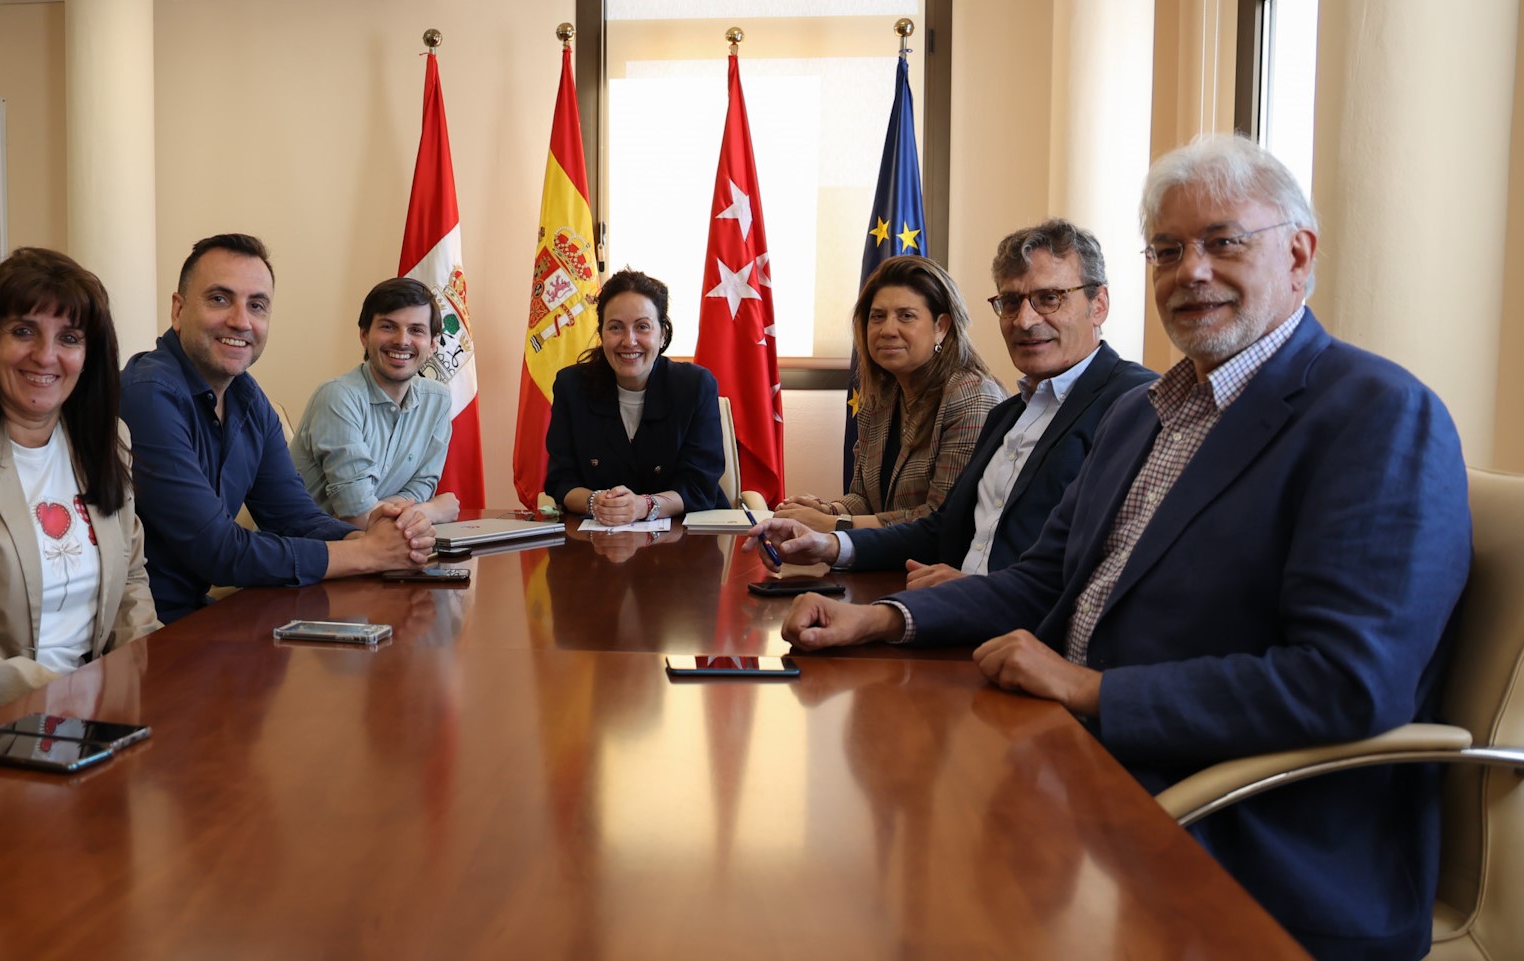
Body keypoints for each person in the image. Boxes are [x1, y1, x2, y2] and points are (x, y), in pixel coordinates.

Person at [773, 136, 1471, 961]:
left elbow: (1348, 682)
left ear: (1298, 253)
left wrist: (1092, 689)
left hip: (1237, 827)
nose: (1191, 271)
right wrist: (885, 619)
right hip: (1071, 759)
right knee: (853, 858)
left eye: (1223, 242)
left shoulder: (1378, 414)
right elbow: (1042, 580)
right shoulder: (1143, 414)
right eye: (1167, 250)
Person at [752, 220, 1155, 589]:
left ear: (1099, 304)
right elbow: (943, 529)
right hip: (950, 600)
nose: (1025, 320)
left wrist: (836, 527)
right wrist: (828, 541)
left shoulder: (1136, 402)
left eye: (1049, 298)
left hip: (1011, 622)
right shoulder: (1009, 415)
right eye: (1010, 302)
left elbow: (1103, 565)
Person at [0, 248, 162, 718]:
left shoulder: (108, 440)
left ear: (88, 355)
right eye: (23, 331)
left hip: (96, 709)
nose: (45, 355)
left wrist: (147, 679)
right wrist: (62, 694)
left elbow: (131, 583)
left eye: (69, 338)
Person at [120, 234, 434, 623]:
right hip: (141, 629)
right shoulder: (148, 393)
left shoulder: (248, 398)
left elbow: (294, 517)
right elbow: (218, 551)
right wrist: (366, 553)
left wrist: (375, 537)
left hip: (200, 614)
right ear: (178, 309)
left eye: (257, 305)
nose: (241, 321)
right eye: (219, 299)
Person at [776, 256, 1003, 533]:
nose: (887, 330)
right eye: (877, 317)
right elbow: (863, 499)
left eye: (906, 316)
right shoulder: (880, 397)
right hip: (885, 554)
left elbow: (942, 519)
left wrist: (831, 524)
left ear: (941, 327)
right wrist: (826, 510)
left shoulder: (972, 397)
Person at [544, 268, 728, 524]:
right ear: (601, 334)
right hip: (598, 536)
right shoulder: (571, 386)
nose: (629, 341)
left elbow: (700, 485)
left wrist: (644, 506)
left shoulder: (695, 385)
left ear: (662, 334)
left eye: (642, 327)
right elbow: (561, 481)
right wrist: (597, 502)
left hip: (686, 536)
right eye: (616, 327)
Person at [288, 277, 459, 527]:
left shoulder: (437, 401)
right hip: (304, 546)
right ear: (364, 335)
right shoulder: (338, 396)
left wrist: (379, 512)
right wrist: (433, 511)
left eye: (416, 330)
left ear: (433, 344)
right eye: (388, 327)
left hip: (377, 542)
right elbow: (356, 514)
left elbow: (420, 487)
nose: (402, 340)